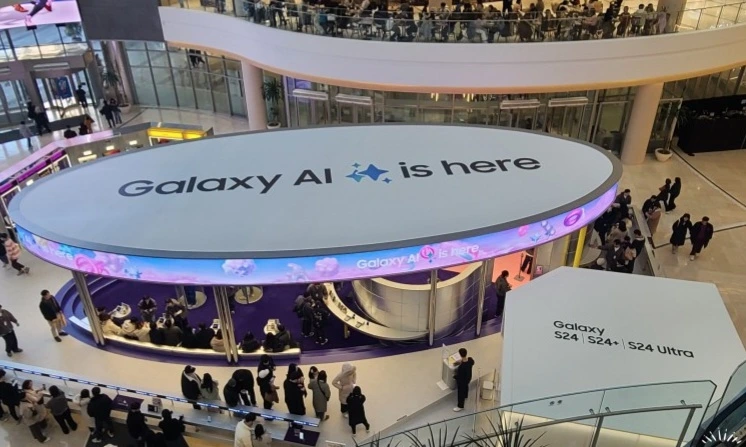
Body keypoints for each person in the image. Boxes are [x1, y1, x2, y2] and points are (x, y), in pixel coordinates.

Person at [453, 348, 475, 412]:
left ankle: (460, 406)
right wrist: (461, 361)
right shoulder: (470, 360)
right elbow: (471, 362)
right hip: (468, 378)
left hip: (462, 381)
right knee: (466, 387)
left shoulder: (462, 367)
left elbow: (459, 376)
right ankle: (466, 395)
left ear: (460, 355)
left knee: (460, 393)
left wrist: (454, 376)